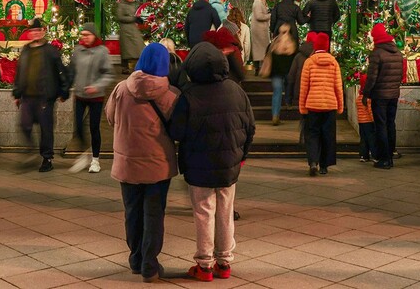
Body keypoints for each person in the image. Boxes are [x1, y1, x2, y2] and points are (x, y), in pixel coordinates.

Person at [169, 42, 255, 282]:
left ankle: (205, 265)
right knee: (225, 212)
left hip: (199, 166)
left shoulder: (189, 95)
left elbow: (177, 131)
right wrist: (241, 156)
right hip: (229, 166)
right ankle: (224, 262)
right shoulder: (237, 91)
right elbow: (250, 128)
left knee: (204, 213)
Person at [106, 43, 180, 283]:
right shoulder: (170, 96)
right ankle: (150, 264)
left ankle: (135, 259)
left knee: (132, 212)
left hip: (126, 164)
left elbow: (110, 117)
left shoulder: (120, 89)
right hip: (157, 166)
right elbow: (177, 130)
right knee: (154, 215)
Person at [12, 18, 70, 172]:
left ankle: (47, 159)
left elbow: (61, 71)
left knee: (46, 129)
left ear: (43, 32)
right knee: (25, 125)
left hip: (45, 97)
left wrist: (64, 91)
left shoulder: (50, 50)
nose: (35, 33)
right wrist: (17, 93)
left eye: (38, 31)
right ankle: (31, 150)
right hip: (27, 97)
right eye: (33, 31)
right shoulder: (25, 50)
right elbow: (20, 72)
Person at [68, 22, 115, 174]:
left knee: (94, 127)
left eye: (88, 35)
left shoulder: (102, 52)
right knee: (78, 128)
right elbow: (72, 71)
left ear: (94, 36)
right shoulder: (78, 51)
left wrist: (97, 86)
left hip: (96, 97)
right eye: (83, 35)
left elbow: (108, 74)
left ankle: (95, 159)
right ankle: (84, 153)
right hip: (80, 95)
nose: (85, 38)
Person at [298, 32, 343, 176]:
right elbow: (338, 86)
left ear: (315, 45)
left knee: (312, 134)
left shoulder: (309, 62)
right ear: (327, 46)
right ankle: (324, 166)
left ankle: (313, 161)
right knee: (328, 135)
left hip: (313, 104)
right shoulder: (334, 62)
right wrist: (340, 105)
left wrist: (302, 106)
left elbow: (304, 87)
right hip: (330, 105)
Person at [363, 23, 404, 170]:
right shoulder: (398, 52)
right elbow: (401, 75)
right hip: (394, 94)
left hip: (380, 95)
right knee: (390, 124)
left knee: (381, 126)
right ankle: (391, 154)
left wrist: (365, 93)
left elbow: (371, 77)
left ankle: (384, 159)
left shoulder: (377, 53)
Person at [268, 23, 297, 126]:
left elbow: (268, 56)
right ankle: (289, 103)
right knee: (289, 88)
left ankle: (275, 115)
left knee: (277, 93)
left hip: (276, 73)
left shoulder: (274, 43)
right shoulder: (292, 43)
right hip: (288, 72)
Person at [285, 31, 317, 110]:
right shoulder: (318, 56)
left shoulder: (299, 56)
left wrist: (289, 98)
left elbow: (291, 76)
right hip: (315, 91)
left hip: (300, 88)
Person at [116, 0, 145, 73]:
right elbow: (120, 17)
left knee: (139, 47)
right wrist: (133, 18)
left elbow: (137, 13)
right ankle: (125, 68)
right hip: (125, 30)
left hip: (133, 30)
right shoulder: (121, 5)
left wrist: (138, 19)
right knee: (126, 51)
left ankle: (138, 66)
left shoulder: (134, 5)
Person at [250, 0, 270, 74]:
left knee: (260, 50)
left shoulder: (261, 1)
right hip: (259, 30)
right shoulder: (258, 2)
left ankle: (259, 68)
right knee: (260, 49)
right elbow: (259, 16)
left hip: (261, 29)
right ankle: (259, 69)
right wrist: (270, 15)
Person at [356, 74, 375, 163]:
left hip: (361, 121)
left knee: (363, 139)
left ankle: (363, 155)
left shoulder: (358, 98)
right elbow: (370, 110)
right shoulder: (368, 99)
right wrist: (374, 120)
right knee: (371, 139)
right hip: (368, 121)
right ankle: (375, 155)